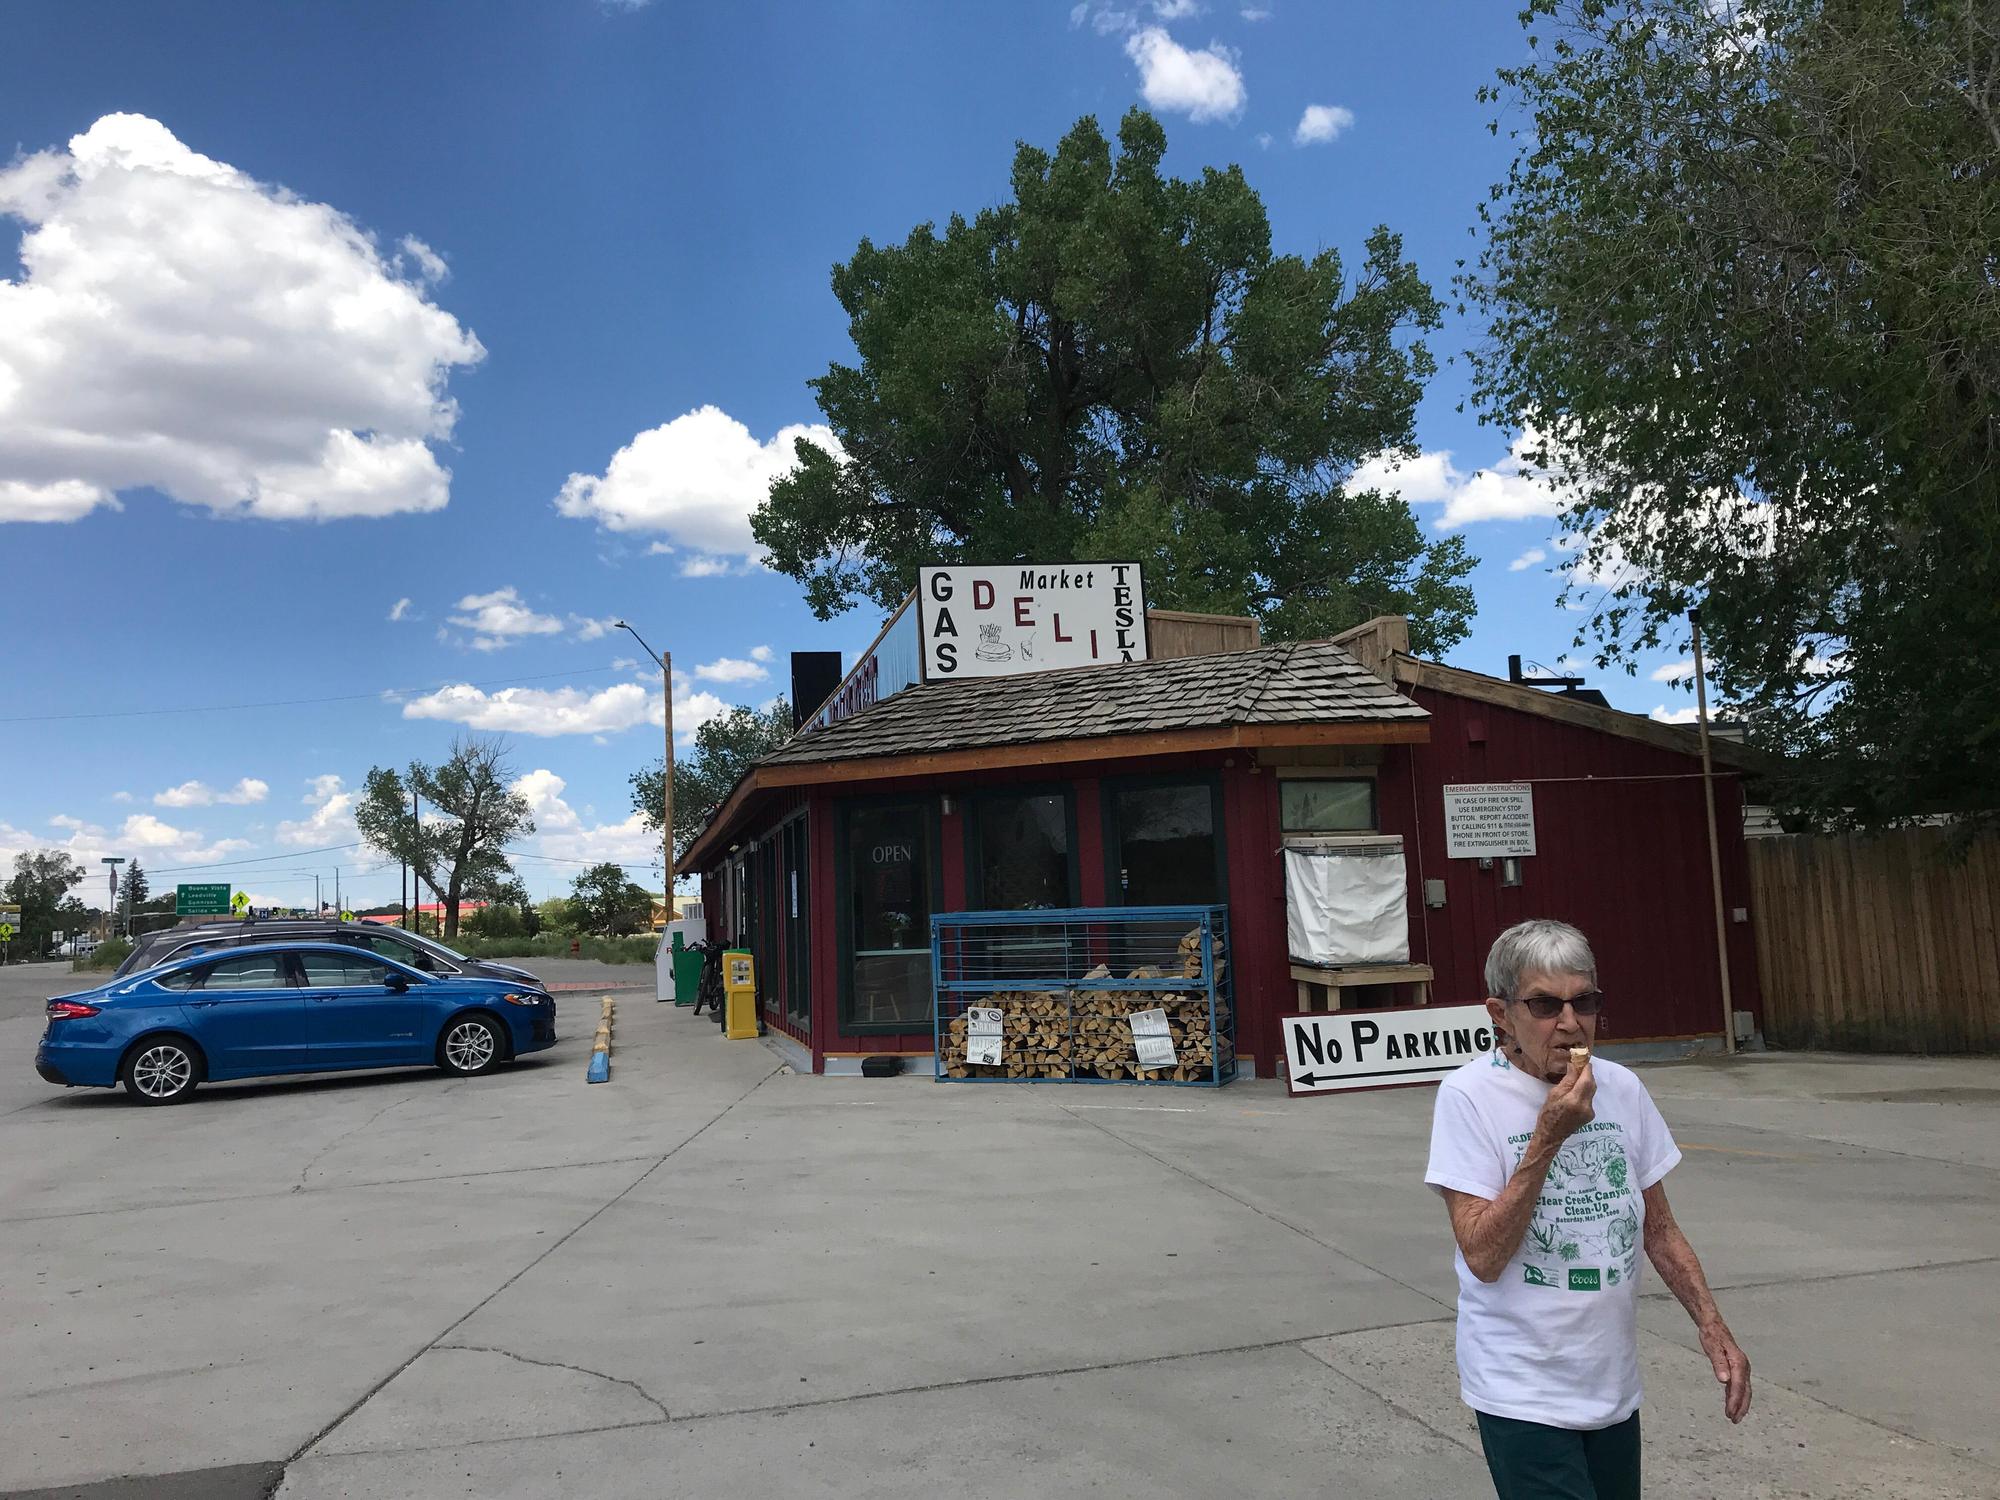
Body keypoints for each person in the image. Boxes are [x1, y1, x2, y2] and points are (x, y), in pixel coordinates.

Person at [1425, 918, 1751, 1499]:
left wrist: (1711, 1323)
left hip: (1610, 1386)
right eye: (1545, 1005)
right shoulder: (1469, 1097)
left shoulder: (1622, 1088)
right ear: (1500, 1015)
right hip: (1521, 1390)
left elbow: (1660, 1229)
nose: (1570, 1023)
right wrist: (1547, 1136)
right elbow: (1481, 1254)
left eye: (1585, 1002)